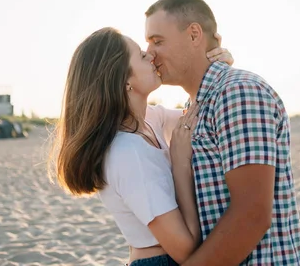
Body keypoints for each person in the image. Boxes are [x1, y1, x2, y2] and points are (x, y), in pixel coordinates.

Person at [145, 0, 300, 265]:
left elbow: (251, 214)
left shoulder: (237, 92)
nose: (150, 53)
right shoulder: (197, 104)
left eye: (158, 41)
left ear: (194, 34)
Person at [48, 27, 233, 266]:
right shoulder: (127, 153)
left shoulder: (150, 120)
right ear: (124, 80)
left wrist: (218, 68)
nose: (150, 55)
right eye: (140, 55)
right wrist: (180, 165)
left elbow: (204, 114)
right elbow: (185, 249)